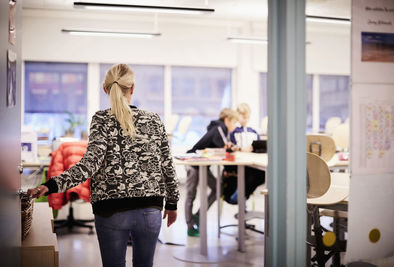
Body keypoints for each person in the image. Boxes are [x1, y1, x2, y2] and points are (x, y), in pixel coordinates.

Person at [28, 64, 179, 267]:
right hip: (149, 209)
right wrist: (172, 203)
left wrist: (51, 185)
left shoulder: (101, 120)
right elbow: (167, 164)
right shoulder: (153, 119)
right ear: (132, 88)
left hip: (110, 210)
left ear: (105, 89)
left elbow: (89, 164)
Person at [185, 108, 239, 237]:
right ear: (227, 120)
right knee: (191, 194)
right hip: (193, 164)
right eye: (234, 122)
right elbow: (224, 148)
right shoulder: (219, 129)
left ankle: (198, 215)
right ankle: (190, 225)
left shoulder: (221, 130)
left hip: (203, 166)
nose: (235, 126)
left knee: (218, 188)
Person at [224, 103, 265, 204]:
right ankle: (238, 198)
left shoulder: (253, 131)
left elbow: (259, 145)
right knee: (247, 175)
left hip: (253, 161)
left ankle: (242, 197)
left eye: (247, 117)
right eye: (243, 117)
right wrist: (241, 149)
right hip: (239, 163)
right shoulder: (233, 131)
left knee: (261, 176)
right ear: (237, 116)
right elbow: (230, 147)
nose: (245, 119)